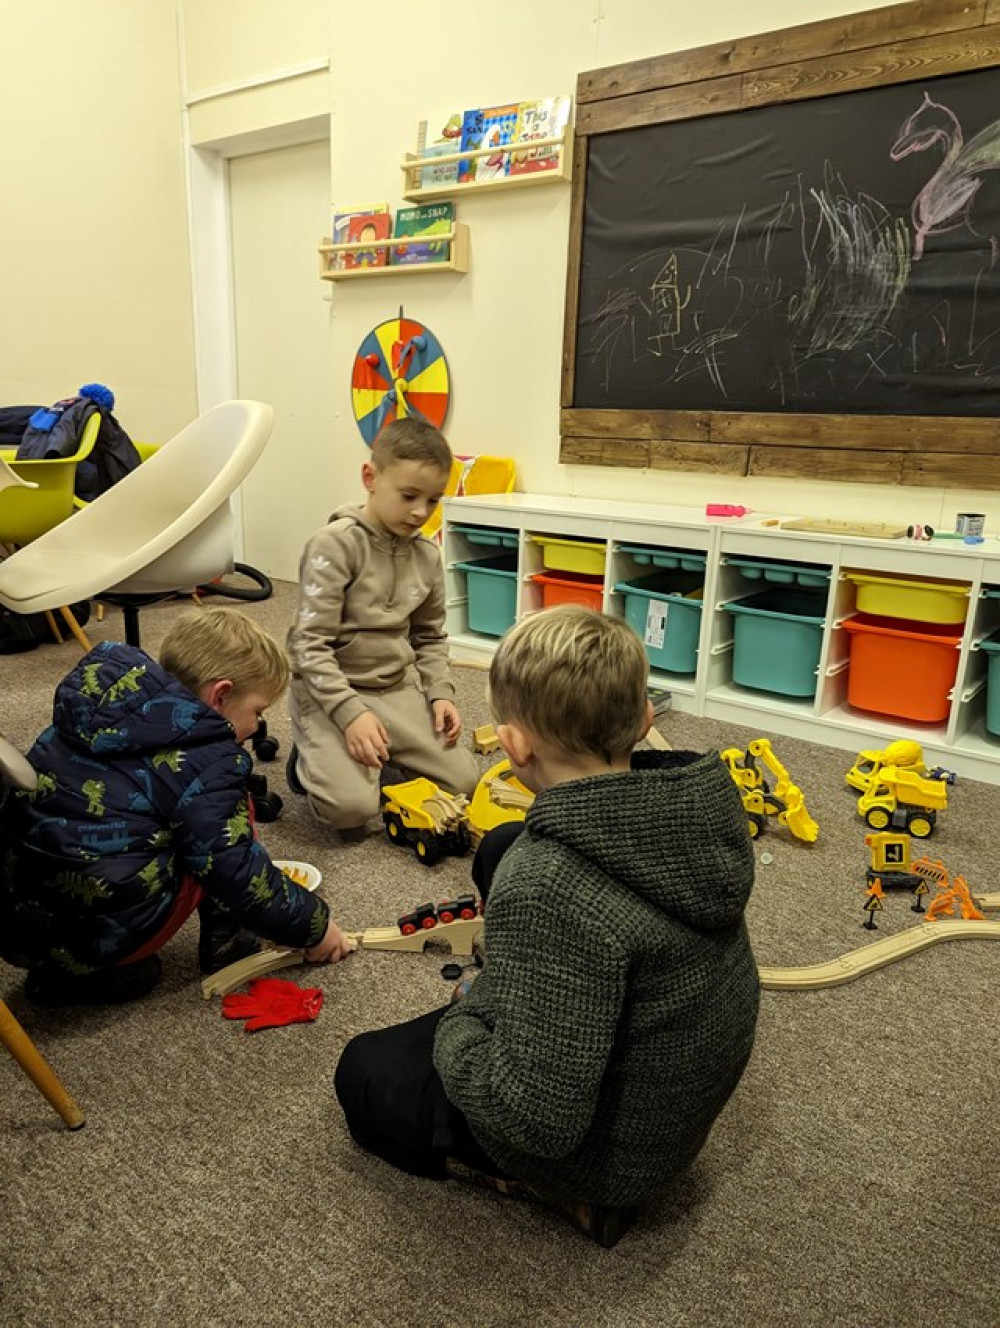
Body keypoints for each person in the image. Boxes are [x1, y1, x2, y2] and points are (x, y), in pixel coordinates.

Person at [334, 605, 760, 1244]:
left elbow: (532, 1119)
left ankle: (572, 1198)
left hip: (617, 1158)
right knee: (503, 840)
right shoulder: (692, 807)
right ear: (645, 718)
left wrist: (468, 1015)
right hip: (670, 1094)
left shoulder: (552, 888)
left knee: (364, 1071)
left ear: (513, 747)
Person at [0, 607, 353, 1007]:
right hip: (101, 938)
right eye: (257, 711)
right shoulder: (210, 760)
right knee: (223, 832)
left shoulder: (99, 704)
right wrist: (315, 928)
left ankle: (60, 972)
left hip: (15, 922)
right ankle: (226, 942)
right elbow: (235, 870)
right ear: (220, 695)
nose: (256, 727)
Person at [285, 417, 478, 834]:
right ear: (370, 477)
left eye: (433, 501)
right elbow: (307, 646)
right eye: (409, 495)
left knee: (465, 783)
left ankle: (370, 751)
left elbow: (429, 636)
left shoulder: (427, 555)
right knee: (352, 811)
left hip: (394, 688)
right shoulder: (334, 545)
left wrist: (439, 694)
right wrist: (350, 714)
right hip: (330, 691)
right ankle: (307, 762)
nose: (420, 512)